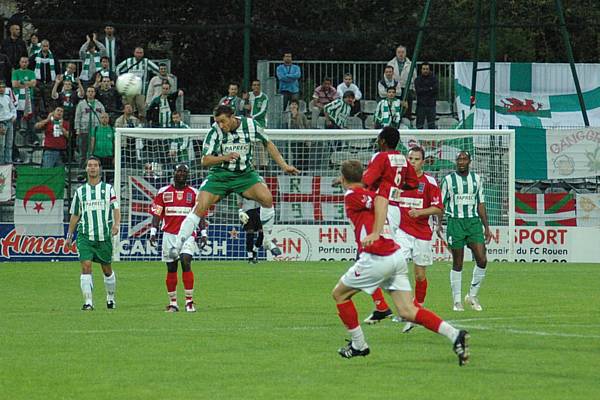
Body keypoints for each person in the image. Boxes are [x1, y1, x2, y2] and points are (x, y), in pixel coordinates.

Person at [332, 159, 469, 366]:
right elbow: (377, 196)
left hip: (377, 257)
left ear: (343, 179)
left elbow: (379, 200)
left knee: (340, 294)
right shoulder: (365, 192)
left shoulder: (352, 195)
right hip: (395, 257)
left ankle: (359, 344)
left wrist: (376, 231)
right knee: (407, 311)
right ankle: (455, 334)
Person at [168, 105, 300, 260]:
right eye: (218, 122)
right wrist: (224, 157)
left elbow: (268, 144)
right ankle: (177, 245)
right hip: (220, 176)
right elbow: (205, 160)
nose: (221, 125)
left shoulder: (250, 125)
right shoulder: (215, 132)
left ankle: (267, 240)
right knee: (200, 207)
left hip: (244, 175)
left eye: (223, 121)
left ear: (232, 116)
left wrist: (284, 165)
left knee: (267, 199)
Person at [360, 127, 419, 324]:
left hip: (381, 208)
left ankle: (403, 307)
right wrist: (396, 188)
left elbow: (367, 180)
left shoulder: (381, 157)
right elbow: (413, 183)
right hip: (395, 210)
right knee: (374, 255)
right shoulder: (403, 159)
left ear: (383, 141)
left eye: (379, 138)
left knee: (374, 256)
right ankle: (384, 306)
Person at [391, 147, 444, 333]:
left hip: (422, 233)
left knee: (420, 275)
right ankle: (404, 308)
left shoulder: (429, 182)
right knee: (396, 268)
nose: (412, 161)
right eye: (410, 158)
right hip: (402, 232)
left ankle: (417, 309)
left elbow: (438, 208)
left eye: (416, 159)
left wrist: (420, 212)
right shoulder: (400, 181)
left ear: (423, 161)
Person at [438, 151, 492, 311]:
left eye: (464, 159)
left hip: (474, 223)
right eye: (459, 159)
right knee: (458, 262)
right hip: (455, 223)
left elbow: (481, 204)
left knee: (482, 259)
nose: (461, 162)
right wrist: (439, 223)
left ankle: (472, 295)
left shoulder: (476, 180)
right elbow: (441, 203)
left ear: (469, 161)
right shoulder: (448, 180)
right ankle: (456, 301)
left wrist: (486, 227)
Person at [150, 164, 207, 312]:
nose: (181, 174)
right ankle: (173, 303)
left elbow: (199, 214)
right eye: (179, 171)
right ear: (174, 173)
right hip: (169, 235)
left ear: (188, 175)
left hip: (188, 235)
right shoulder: (163, 192)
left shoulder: (194, 193)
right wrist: (153, 232)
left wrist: (204, 233)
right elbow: (157, 214)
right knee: (171, 268)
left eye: (184, 172)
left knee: (186, 261)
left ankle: (189, 301)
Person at [66, 156, 120, 311]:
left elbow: (115, 208)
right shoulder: (80, 192)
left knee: (107, 270)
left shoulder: (108, 189)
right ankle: (88, 302)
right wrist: (69, 237)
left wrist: (116, 224)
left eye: (95, 165)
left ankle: (110, 298)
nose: (92, 168)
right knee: (86, 266)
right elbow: (75, 215)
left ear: (99, 168)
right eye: (89, 165)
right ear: (86, 169)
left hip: (104, 236)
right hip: (85, 236)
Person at [116, 47, 160, 118]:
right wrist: (121, 80)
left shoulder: (146, 62)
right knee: (130, 108)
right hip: (129, 90)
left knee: (142, 108)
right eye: (137, 53)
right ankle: (130, 124)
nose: (139, 55)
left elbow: (157, 69)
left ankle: (142, 125)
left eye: (140, 53)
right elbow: (118, 68)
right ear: (134, 53)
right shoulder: (128, 61)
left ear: (143, 54)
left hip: (141, 90)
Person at [74, 86, 105, 165]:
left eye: (92, 91)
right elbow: (77, 117)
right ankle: (81, 172)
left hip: (96, 132)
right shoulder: (81, 104)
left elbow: (103, 116)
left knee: (95, 152)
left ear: (94, 93)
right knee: (83, 153)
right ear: (86, 93)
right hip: (84, 131)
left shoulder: (99, 104)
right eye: (89, 91)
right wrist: (77, 129)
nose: (90, 93)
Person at [12, 56, 37, 146]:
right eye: (22, 62)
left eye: (26, 62)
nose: (24, 63)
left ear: (28, 63)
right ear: (19, 62)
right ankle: (13, 140)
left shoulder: (31, 72)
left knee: (31, 120)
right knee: (15, 120)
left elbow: (34, 84)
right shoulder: (15, 72)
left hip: (29, 99)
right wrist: (27, 83)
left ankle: (33, 139)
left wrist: (21, 82)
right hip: (18, 99)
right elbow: (14, 84)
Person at [29, 39, 60, 114]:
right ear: (41, 46)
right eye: (44, 46)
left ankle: (49, 119)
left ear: (49, 46)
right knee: (37, 102)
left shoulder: (54, 57)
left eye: (47, 46)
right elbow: (30, 69)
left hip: (50, 83)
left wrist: (56, 80)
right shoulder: (35, 57)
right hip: (38, 82)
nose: (45, 48)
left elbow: (58, 69)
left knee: (49, 103)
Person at [387, 45, 415, 120]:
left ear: (405, 53)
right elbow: (387, 76)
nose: (401, 54)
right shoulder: (390, 63)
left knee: (407, 110)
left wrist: (413, 89)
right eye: (399, 52)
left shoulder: (411, 64)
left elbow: (414, 77)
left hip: (407, 89)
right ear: (396, 53)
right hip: (395, 89)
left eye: (403, 52)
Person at [238, 196, 264, 264]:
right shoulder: (241, 186)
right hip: (247, 211)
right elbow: (239, 200)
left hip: (259, 210)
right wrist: (240, 211)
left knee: (262, 232)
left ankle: (255, 251)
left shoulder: (261, 185)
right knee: (250, 233)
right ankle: (250, 257)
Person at [414, 62, 438, 129]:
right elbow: (418, 91)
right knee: (419, 125)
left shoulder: (434, 79)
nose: (425, 70)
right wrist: (429, 88)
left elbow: (435, 90)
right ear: (421, 70)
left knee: (431, 125)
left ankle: (432, 139)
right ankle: (419, 139)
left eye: (427, 69)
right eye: (424, 69)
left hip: (431, 105)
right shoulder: (417, 79)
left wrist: (424, 89)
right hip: (421, 105)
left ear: (429, 70)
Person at [0, 80, 17, 164]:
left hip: (9, 121)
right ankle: (1, 164)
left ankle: (8, 162)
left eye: (3, 87)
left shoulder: (7, 97)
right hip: (1, 123)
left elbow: (13, 108)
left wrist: (14, 116)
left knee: (9, 144)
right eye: (0, 87)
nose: (2, 89)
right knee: (1, 146)